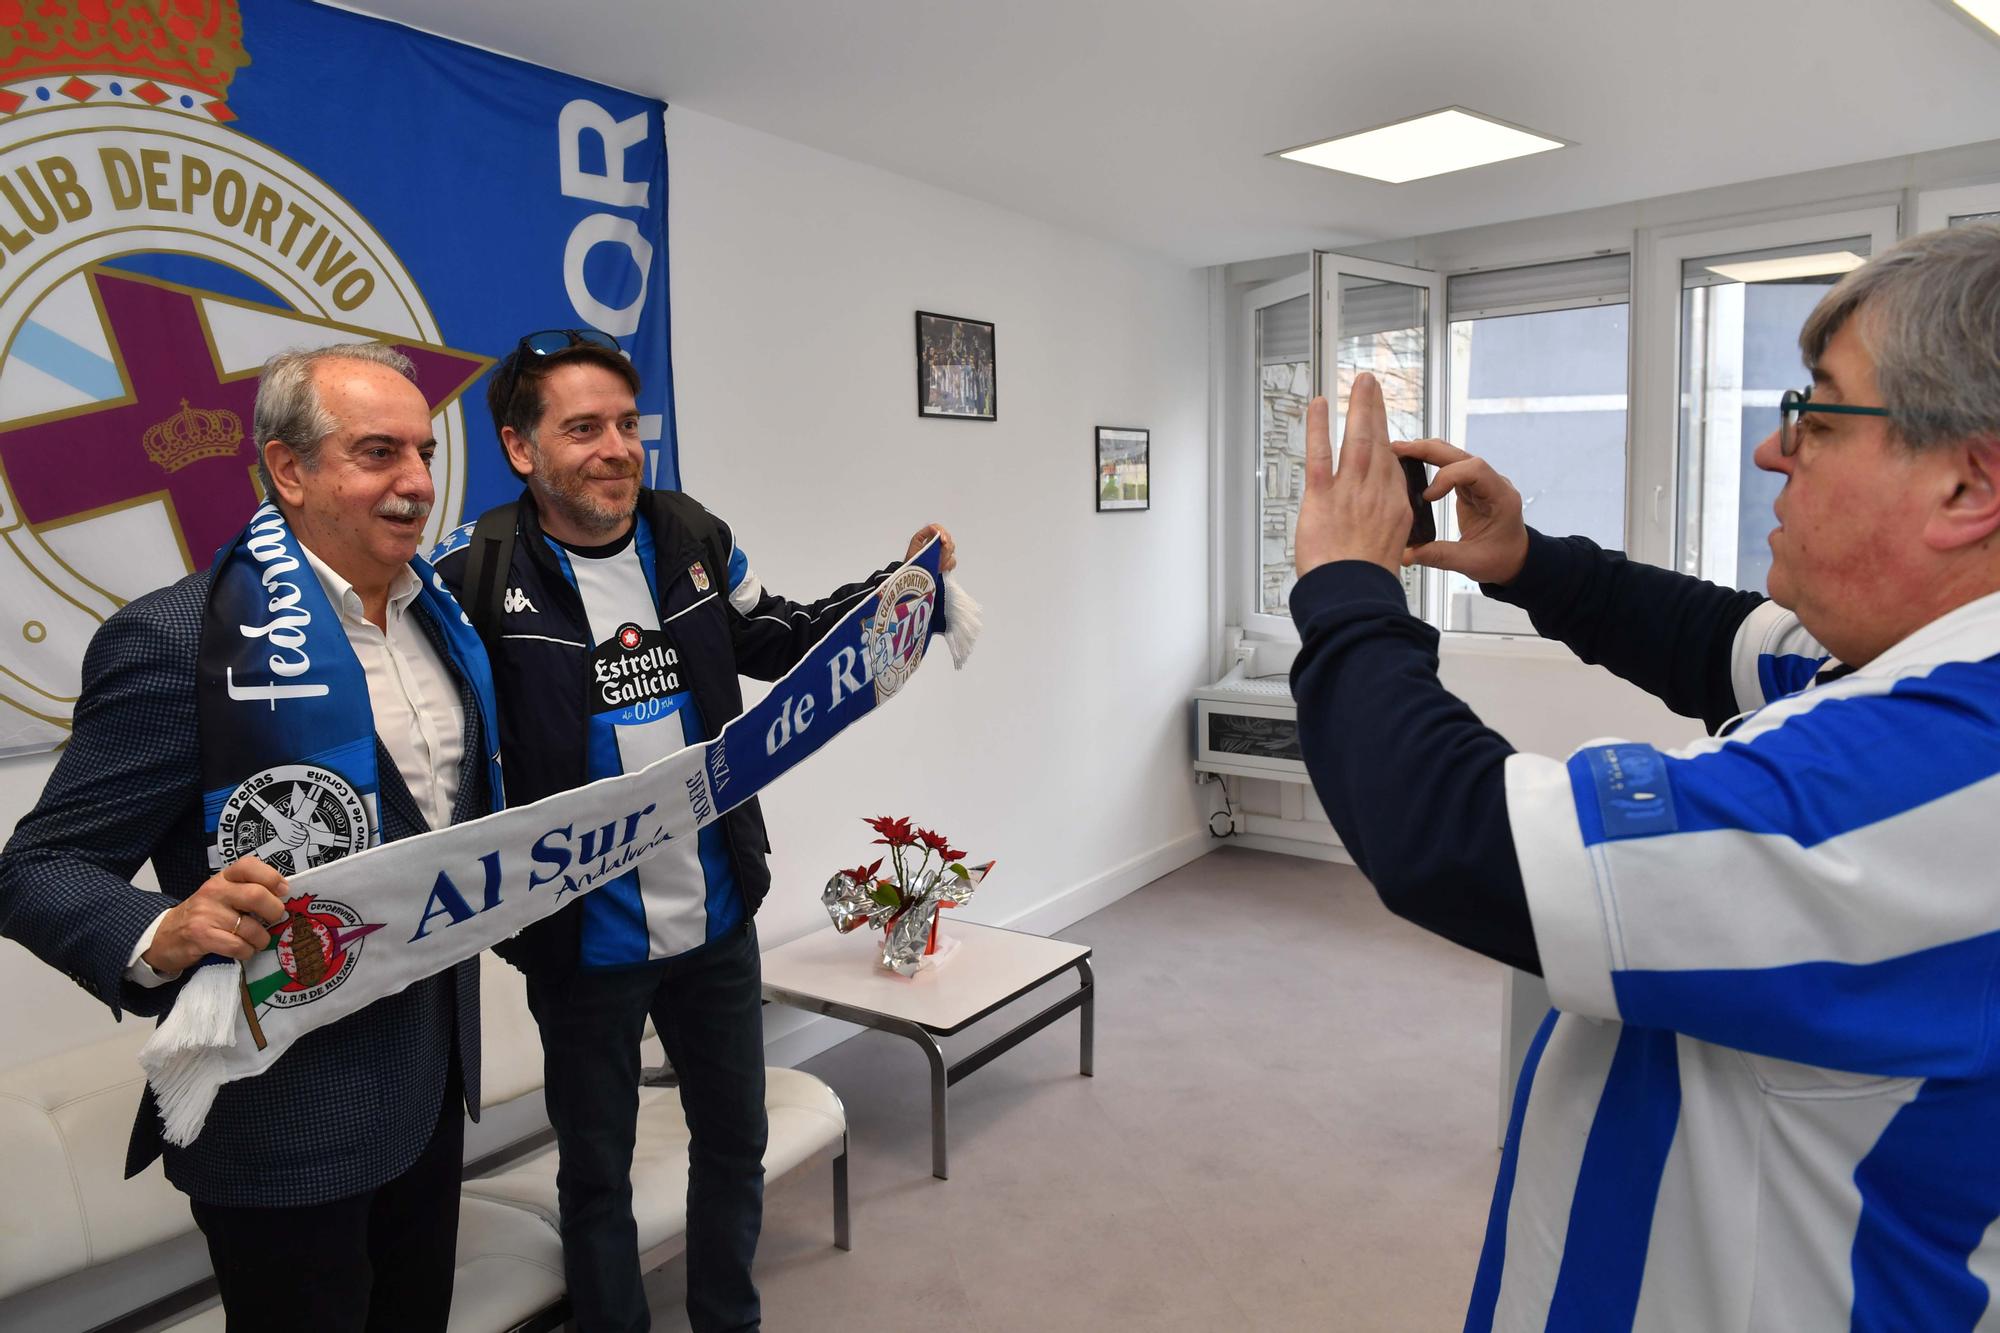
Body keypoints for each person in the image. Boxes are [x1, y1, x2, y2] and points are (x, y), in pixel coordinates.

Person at [1287, 223, 2000, 1331]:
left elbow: (1456, 838)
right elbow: (1709, 637)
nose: (1773, 451)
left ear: (1965, 483)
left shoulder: (1948, 759)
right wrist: (1527, 562)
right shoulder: (1911, 660)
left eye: (1816, 414)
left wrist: (1342, 585)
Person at [433, 328, 956, 1333]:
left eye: (626, 424)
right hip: (580, 941)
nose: (615, 448)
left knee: (734, 1141)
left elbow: (779, 637)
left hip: (715, 917)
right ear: (519, 448)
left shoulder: (692, 536)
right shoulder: (474, 570)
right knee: (597, 1172)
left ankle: (727, 1318)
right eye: (582, 429)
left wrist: (897, 590)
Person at [0, 342, 498, 1329]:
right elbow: (37, 868)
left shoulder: (441, 620)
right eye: (378, 452)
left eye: (425, 452)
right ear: (287, 469)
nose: (416, 482)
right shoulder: (180, 640)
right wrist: (161, 930)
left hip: (430, 1081)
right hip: (284, 1117)